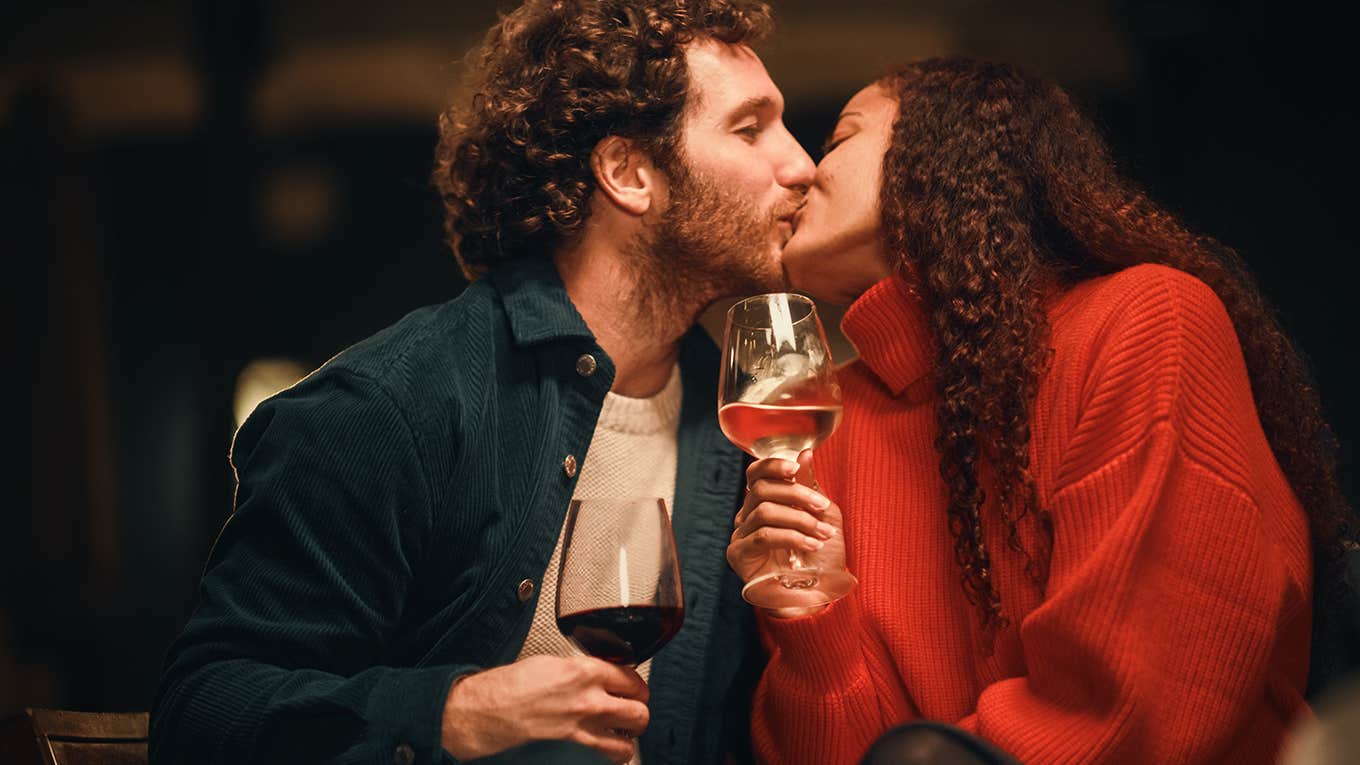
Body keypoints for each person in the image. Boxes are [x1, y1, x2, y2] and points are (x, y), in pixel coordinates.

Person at [150, 1, 816, 763]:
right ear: (630, 173)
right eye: (751, 128)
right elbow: (200, 712)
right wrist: (451, 713)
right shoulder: (391, 404)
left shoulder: (741, 416)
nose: (801, 164)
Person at [727, 57, 1360, 764]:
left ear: (947, 146)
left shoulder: (1143, 320)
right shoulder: (826, 420)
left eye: (839, 137)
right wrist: (811, 615)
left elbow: (1135, 712)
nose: (805, 172)